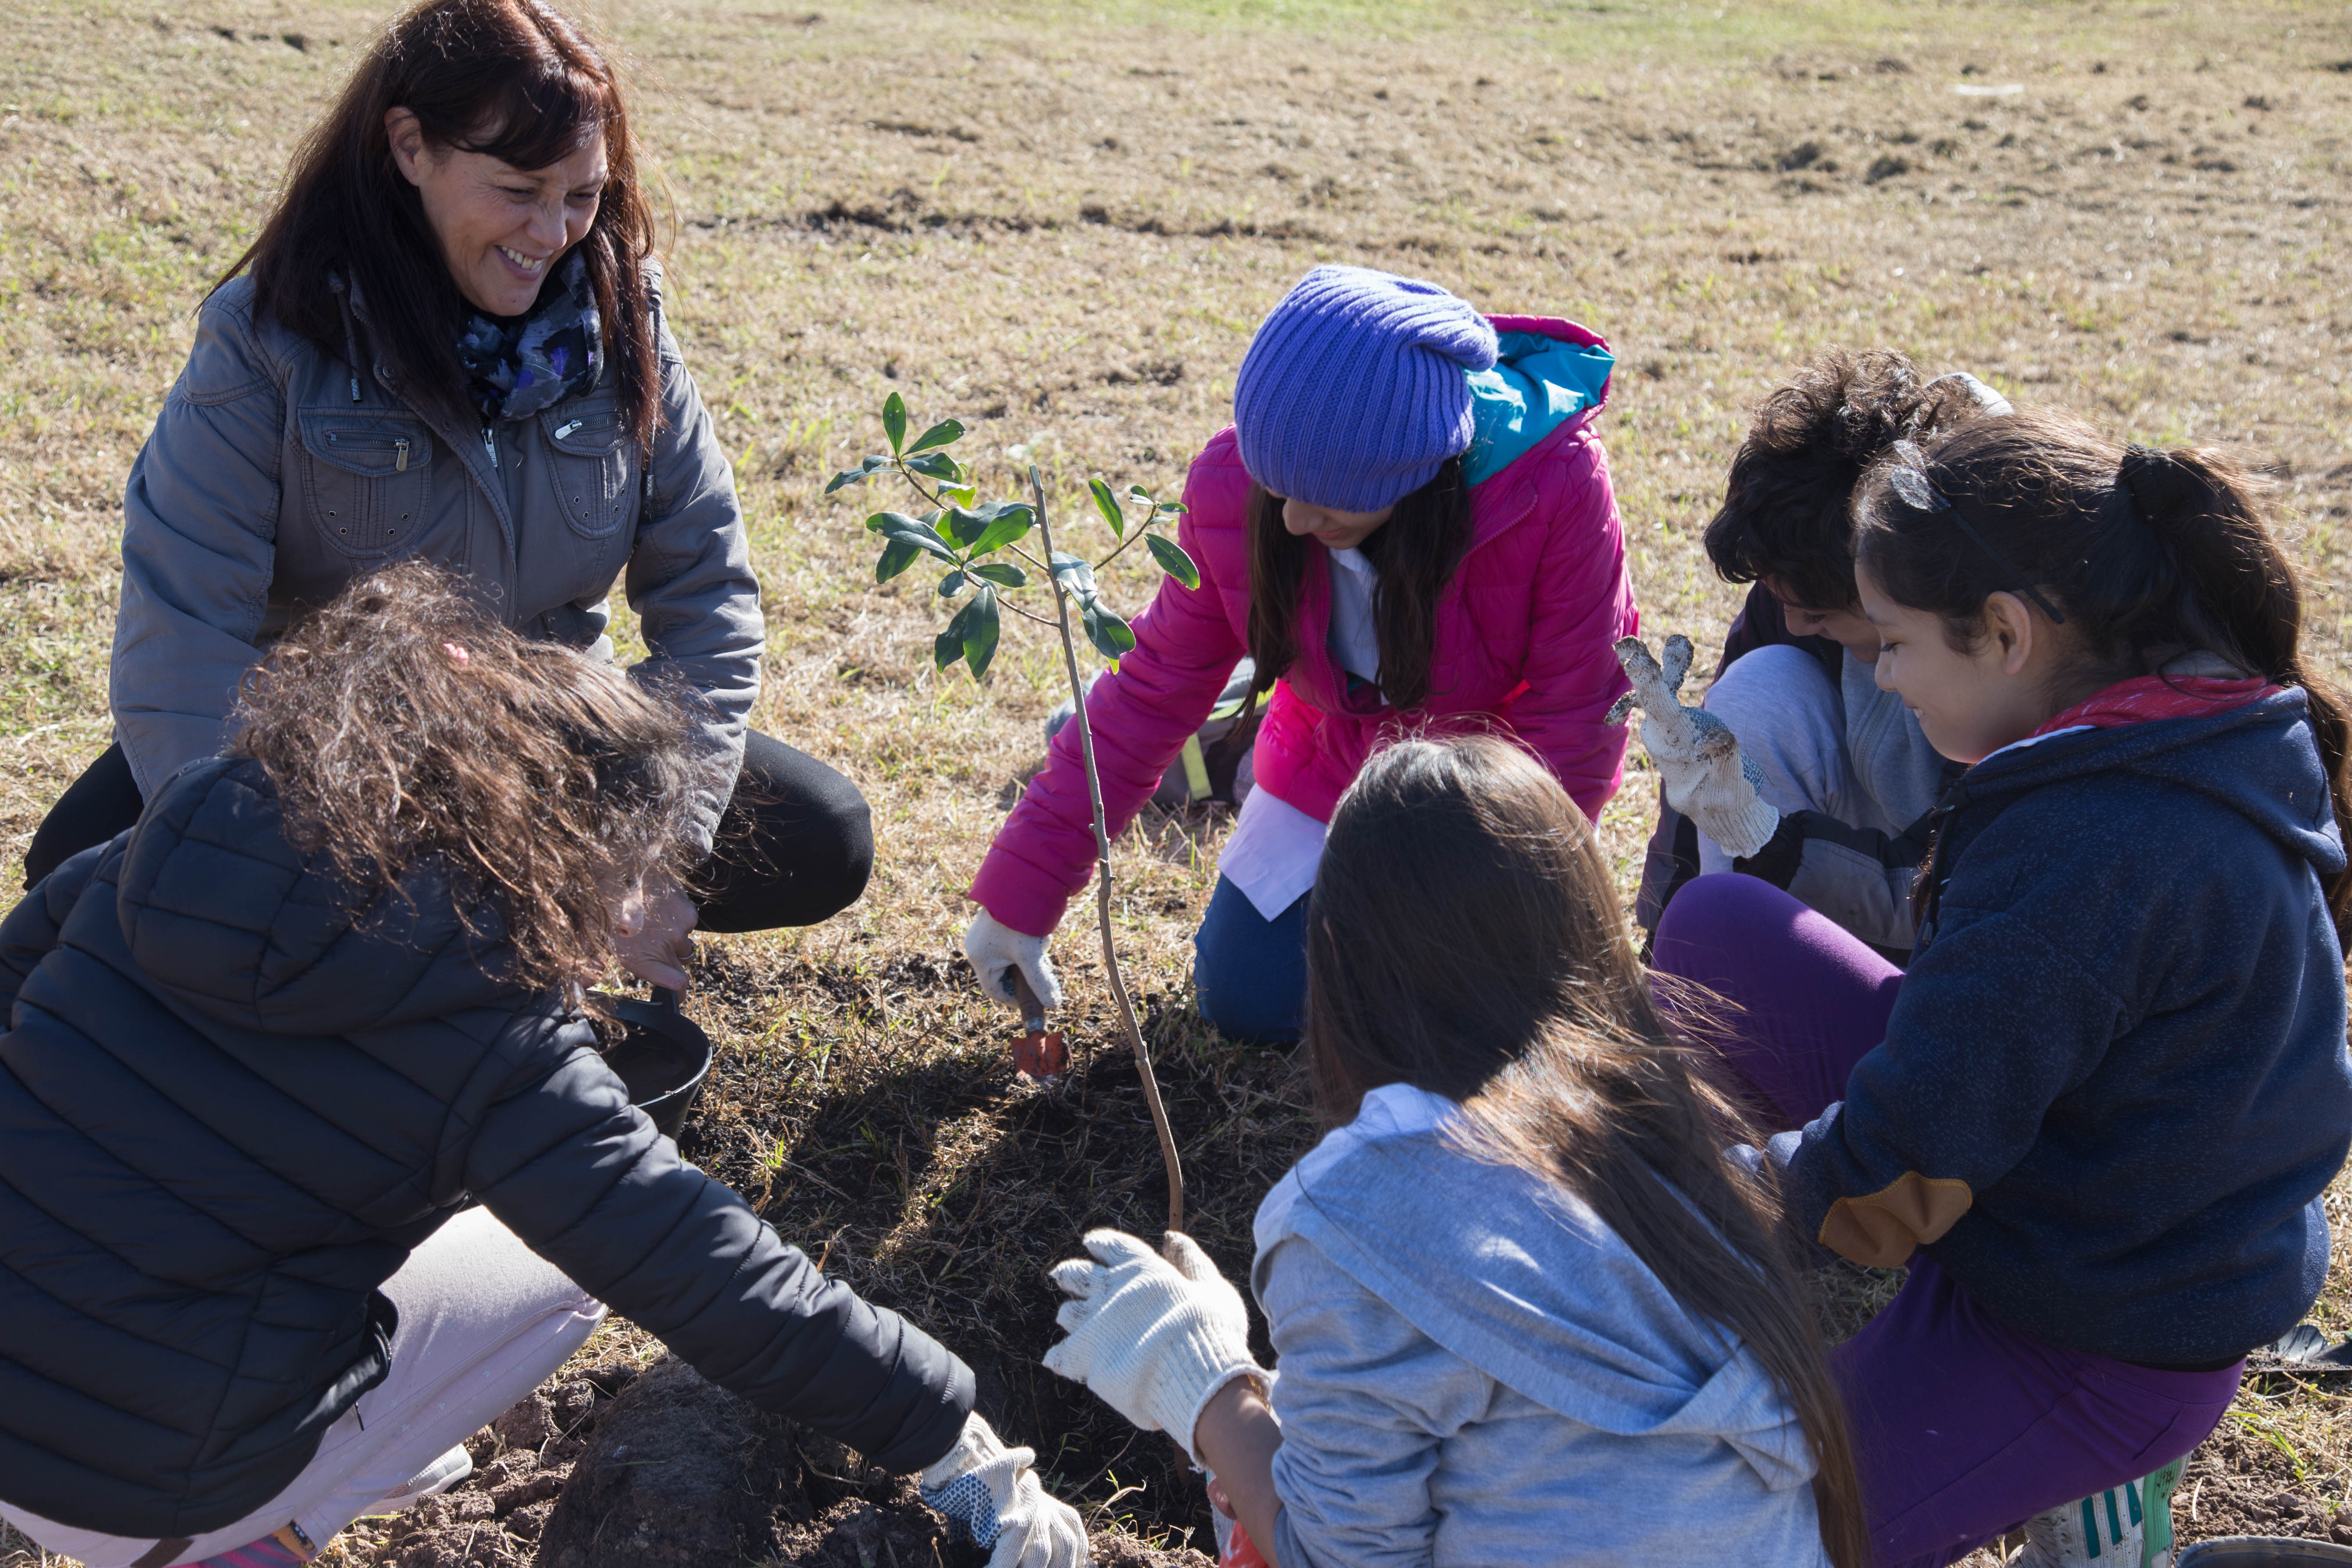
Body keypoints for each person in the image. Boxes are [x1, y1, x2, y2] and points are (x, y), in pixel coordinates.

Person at [0, 566, 1083, 1568]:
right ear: (555, 848)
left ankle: (347, 1449)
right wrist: (961, 1449)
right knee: (562, 1269)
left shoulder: (171, 837)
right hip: (151, 1493)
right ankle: (267, 1531)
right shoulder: (495, 1034)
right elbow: (712, 1274)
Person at [22, 0, 869, 962]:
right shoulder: (267, 336)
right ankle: (430, 929)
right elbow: (185, 629)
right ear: (410, 146)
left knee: (822, 836)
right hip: (315, 749)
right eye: (517, 189)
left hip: (545, 732)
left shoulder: (627, 318)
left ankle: (477, 921)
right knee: (75, 873)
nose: (552, 232)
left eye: (583, 195)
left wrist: (658, 852)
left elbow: (707, 593)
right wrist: (249, 860)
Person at [1648, 412, 2352, 1568]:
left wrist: (1703, 1208)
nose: (1880, 675)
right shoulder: (2171, 731)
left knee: (1746, 1541)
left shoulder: (2087, 848)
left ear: (2006, 633)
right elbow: (1980, 1049)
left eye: (1892, 644)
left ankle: (2077, 1467)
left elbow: (1914, 1144)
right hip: (2069, 1178)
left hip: (2093, 1326)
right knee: (1717, 930)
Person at [1037, 735, 1870, 1568]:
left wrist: (1202, 1380)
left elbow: (1336, 1560)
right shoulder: (1657, 1138)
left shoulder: (1350, 1212)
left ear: (1337, 955)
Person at [963, 264, 1639, 1043]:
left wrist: (1500, 895)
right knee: (1250, 1002)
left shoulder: (1551, 486)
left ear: (1416, 468)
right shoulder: (1233, 485)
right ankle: (1243, 735)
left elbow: (1578, 712)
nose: (1288, 521)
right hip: (1327, 751)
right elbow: (1151, 690)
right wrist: (1018, 899)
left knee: (1449, 1014)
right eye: (1276, 487)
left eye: (1325, 497)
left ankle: (1243, 745)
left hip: (1480, 778)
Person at [1634, 349, 2010, 956]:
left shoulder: (1996, 642)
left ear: (1893, 577)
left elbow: (1960, 885)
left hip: (1960, 925)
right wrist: (1666, 944)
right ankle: (1713, 972)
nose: (1792, 623)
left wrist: (1778, 850)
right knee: (1752, 692)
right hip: (1850, 861)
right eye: (1778, 597)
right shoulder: (1806, 570)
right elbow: (1704, 776)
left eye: (1820, 613)